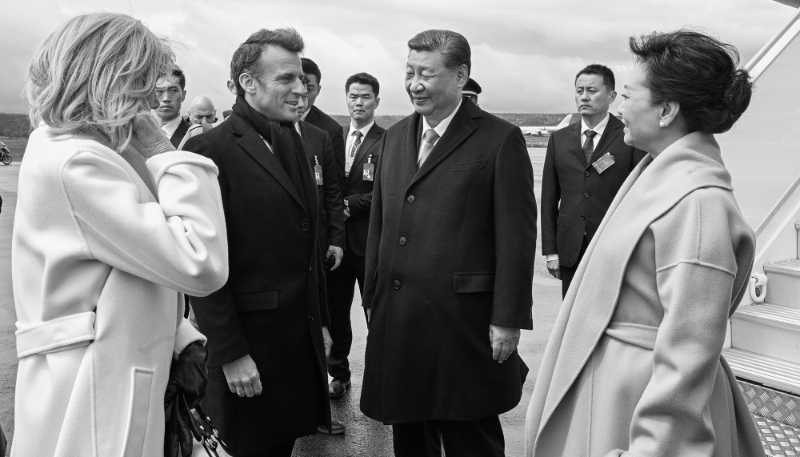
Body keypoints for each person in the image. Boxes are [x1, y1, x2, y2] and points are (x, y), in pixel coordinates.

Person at [525, 30, 764, 457]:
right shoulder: (660, 176)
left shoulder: (698, 205)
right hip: (619, 394)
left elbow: (689, 356)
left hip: (636, 411)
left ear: (667, 110)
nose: (618, 107)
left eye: (628, 95)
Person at [11, 12, 228, 456]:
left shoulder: (71, 147)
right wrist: (164, 152)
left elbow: (122, 270)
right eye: (144, 80)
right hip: (92, 392)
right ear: (112, 75)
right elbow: (200, 261)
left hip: (102, 374)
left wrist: (180, 337)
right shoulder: (77, 162)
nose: (151, 96)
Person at [361, 29, 537, 457]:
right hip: (400, 319)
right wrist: (372, 294)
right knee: (411, 435)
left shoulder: (499, 139)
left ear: (460, 76)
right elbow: (380, 225)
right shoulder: (394, 136)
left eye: (426, 73)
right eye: (409, 72)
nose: (414, 84)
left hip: (463, 321)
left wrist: (507, 318)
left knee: (469, 436)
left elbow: (516, 236)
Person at [184, 28, 334, 456]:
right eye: (286, 78)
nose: (300, 88)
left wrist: (319, 322)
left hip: (291, 347)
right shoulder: (209, 150)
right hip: (247, 352)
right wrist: (230, 353)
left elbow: (308, 246)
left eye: (302, 79)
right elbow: (202, 266)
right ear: (248, 82)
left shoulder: (290, 140)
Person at [541, 64, 646, 298]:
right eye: (579, 91)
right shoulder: (559, 139)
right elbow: (549, 199)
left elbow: (639, 196)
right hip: (570, 246)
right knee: (570, 314)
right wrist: (551, 252)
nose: (584, 97)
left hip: (613, 245)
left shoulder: (629, 137)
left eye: (592, 90)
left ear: (611, 96)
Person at [326, 72, 385, 400]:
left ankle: (379, 376)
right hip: (338, 242)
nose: (358, 103)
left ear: (377, 101)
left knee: (373, 311)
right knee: (336, 312)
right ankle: (339, 373)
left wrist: (352, 204)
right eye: (353, 97)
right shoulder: (335, 136)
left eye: (365, 97)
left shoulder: (386, 140)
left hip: (368, 242)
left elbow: (386, 191)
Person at [300, 58, 346, 188]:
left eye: (309, 89)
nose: (302, 94)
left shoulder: (330, 130)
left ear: (318, 90)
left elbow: (335, 185)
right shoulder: (272, 120)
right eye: (298, 86)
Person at [153, 67, 192, 148]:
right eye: (159, 91)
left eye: (173, 90)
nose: (166, 98)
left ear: (183, 95)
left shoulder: (193, 136)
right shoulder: (138, 135)